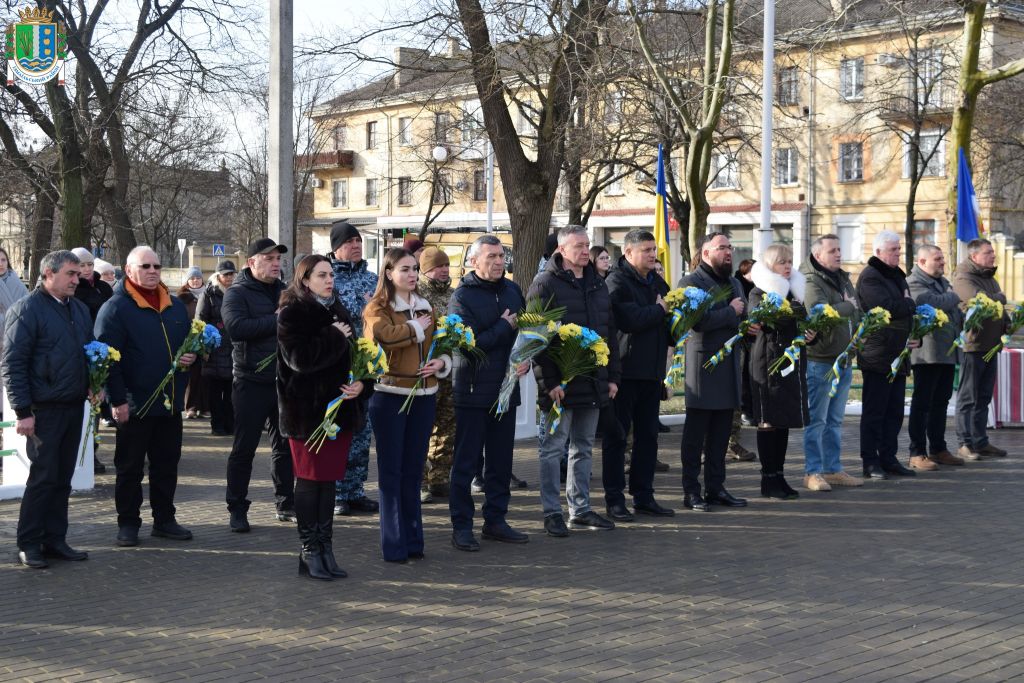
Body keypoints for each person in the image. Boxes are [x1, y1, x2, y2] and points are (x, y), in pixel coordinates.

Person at [95, 246, 197, 547]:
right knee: (129, 467)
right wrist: (118, 400)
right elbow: (106, 360)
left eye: (157, 266)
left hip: (169, 403)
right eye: (145, 266)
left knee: (167, 464)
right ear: (129, 270)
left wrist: (191, 356)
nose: (153, 271)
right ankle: (128, 523)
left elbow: (187, 344)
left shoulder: (176, 306)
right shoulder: (115, 309)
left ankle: (164, 519)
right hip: (134, 404)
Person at [278, 255, 371, 580]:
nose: (329, 279)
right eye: (322, 275)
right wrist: (332, 335)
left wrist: (362, 382)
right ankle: (309, 549)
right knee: (309, 481)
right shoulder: (293, 313)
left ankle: (325, 548)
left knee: (329, 481)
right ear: (305, 280)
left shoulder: (338, 309)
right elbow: (298, 360)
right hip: (307, 414)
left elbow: (357, 353)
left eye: (331, 274)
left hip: (339, 412)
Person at [3, 250, 92, 568]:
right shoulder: (26, 309)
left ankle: (55, 538)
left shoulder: (79, 309)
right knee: (43, 477)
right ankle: (29, 541)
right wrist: (23, 410)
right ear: (48, 274)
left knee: (63, 477)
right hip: (43, 410)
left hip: (72, 405)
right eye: (70, 273)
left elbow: (88, 351)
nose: (76, 279)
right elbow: (13, 364)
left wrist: (95, 381)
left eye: (78, 274)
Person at [529, 225, 620, 536]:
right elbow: (537, 341)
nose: (585, 251)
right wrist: (549, 383)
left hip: (593, 381)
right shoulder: (544, 284)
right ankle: (552, 511)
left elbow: (609, 333)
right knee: (553, 449)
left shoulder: (598, 284)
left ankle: (579, 509)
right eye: (579, 246)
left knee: (582, 447)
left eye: (587, 245)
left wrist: (611, 377)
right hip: (560, 387)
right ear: (561, 250)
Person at [363, 248, 449, 562]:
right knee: (391, 473)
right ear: (388, 273)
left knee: (414, 471)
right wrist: (414, 328)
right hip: (390, 395)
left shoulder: (426, 306)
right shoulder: (378, 307)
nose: (412, 275)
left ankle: (414, 541)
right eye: (404, 269)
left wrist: (441, 362)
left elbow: (441, 342)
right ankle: (394, 544)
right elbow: (383, 337)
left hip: (425, 395)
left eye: (414, 269)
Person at [448, 235, 530, 551]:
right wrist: (503, 327)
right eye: (491, 257)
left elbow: (527, 333)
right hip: (471, 392)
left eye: (501, 256)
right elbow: (467, 345)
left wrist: (525, 356)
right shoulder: (462, 297)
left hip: (505, 390)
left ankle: (495, 520)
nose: (499, 262)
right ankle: (462, 526)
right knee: (466, 463)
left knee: (500, 462)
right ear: (473, 261)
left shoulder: (512, 290)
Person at [221, 238, 295, 532]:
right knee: (244, 448)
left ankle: (285, 502)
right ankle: (237, 507)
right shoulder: (236, 293)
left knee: (284, 447)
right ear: (252, 262)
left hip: (282, 380)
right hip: (250, 381)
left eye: (278, 258)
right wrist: (276, 321)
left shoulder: (285, 291)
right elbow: (236, 329)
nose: (276, 263)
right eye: (269, 258)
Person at [603, 229, 675, 519]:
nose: (652, 254)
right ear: (628, 252)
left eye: (653, 249)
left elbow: (669, 313)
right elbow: (629, 319)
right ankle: (614, 498)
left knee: (648, 438)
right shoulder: (616, 281)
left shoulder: (657, 280)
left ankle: (644, 495)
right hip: (625, 371)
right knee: (617, 437)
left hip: (652, 370)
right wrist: (659, 311)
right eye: (646, 250)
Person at [679, 233, 748, 511]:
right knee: (696, 436)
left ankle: (716, 488)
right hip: (704, 368)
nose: (729, 252)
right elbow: (697, 322)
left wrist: (748, 323)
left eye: (730, 247)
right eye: (722, 248)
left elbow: (743, 315)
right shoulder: (691, 282)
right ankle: (691, 490)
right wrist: (731, 313)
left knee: (721, 435)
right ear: (706, 253)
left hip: (729, 365)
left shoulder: (733, 282)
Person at [747, 246, 814, 499]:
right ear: (769, 266)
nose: (787, 266)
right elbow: (761, 318)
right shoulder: (759, 291)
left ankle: (780, 475)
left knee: (783, 421)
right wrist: (793, 316)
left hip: (790, 364)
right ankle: (768, 479)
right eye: (781, 262)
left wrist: (811, 334)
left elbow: (803, 322)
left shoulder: (795, 293)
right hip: (767, 362)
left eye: (789, 262)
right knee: (768, 421)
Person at [799, 235, 864, 492]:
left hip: (844, 358)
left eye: (840, 249)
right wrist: (847, 307)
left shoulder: (843, 278)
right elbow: (820, 312)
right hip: (821, 361)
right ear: (817, 255)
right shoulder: (810, 280)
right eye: (833, 250)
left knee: (835, 420)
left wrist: (857, 334)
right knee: (817, 419)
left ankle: (832, 468)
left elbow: (856, 310)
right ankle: (812, 471)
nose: (839, 254)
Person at [856, 230, 918, 479]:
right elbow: (887, 309)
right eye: (894, 249)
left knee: (894, 411)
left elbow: (905, 309)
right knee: (875, 411)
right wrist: (908, 304)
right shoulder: (871, 277)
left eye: (899, 249)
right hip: (878, 353)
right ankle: (870, 461)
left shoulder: (897, 276)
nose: (898, 253)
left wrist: (908, 309)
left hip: (898, 352)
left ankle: (889, 457)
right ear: (879, 251)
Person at [328, 220, 380, 516]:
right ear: (336, 248)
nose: (356, 245)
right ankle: (336, 493)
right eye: (349, 241)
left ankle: (355, 490)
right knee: (338, 431)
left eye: (359, 240)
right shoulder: (327, 278)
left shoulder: (372, 280)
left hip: (365, 367)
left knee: (362, 432)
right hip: (336, 366)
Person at [907, 245, 964, 469]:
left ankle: (938, 449)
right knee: (922, 404)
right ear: (922, 262)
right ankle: (917, 452)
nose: (942, 262)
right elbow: (929, 302)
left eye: (942, 258)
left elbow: (953, 310)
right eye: (937, 259)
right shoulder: (913, 282)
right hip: (927, 354)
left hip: (947, 352)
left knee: (941, 403)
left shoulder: (942, 283)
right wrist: (952, 296)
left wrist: (950, 300)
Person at [953, 237, 1009, 461]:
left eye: (993, 252)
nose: (993, 256)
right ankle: (964, 443)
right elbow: (978, 301)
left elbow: (996, 305)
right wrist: (999, 299)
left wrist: (1006, 322)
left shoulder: (989, 277)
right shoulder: (963, 276)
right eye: (988, 253)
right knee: (968, 396)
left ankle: (980, 441)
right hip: (972, 346)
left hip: (991, 345)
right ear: (974, 256)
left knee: (984, 396)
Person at [70, 247, 113, 474]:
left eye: (89, 264)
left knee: (96, 403)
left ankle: (91, 451)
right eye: (81, 265)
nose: (86, 269)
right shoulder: (73, 289)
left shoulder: (104, 287)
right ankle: (79, 452)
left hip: (102, 352)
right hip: (81, 351)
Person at [418, 246, 455, 504]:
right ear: (425, 270)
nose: (443, 270)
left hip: (451, 369)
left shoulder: (455, 295)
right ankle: (420, 481)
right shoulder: (417, 296)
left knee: (447, 427)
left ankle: (440, 478)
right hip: (425, 372)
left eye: (445, 266)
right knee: (422, 428)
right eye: (437, 266)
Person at [197, 260, 236, 436]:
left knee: (231, 391)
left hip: (233, 348)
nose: (229, 277)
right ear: (218, 276)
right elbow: (200, 321)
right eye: (226, 274)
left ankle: (231, 423)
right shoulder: (209, 294)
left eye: (231, 274)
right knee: (215, 390)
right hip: (214, 347)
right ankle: (217, 424)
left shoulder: (237, 293)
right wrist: (204, 347)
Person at [177, 266, 208, 420]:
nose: (195, 281)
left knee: (205, 374)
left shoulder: (208, 293)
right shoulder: (182, 297)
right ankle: (191, 407)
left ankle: (204, 407)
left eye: (197, 278)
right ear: (187, 281)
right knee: (192, 375)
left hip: (206, 338)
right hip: (189, 339)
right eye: (192, 278)